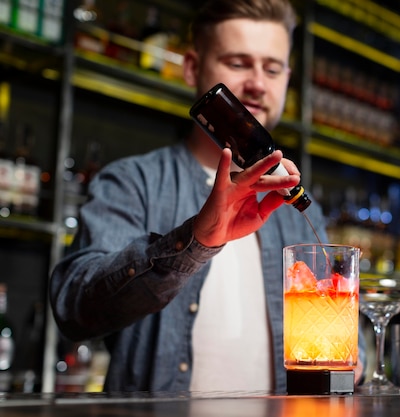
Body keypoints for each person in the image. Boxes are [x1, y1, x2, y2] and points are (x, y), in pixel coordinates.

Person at [49, 0, 365, 393]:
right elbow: (73, 307)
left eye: (272, 68)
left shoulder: (293, 205)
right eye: (237, 63)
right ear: (191, 68)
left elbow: (355, 354)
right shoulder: (134, 181)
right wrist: (195, 240)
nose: (257, 83)